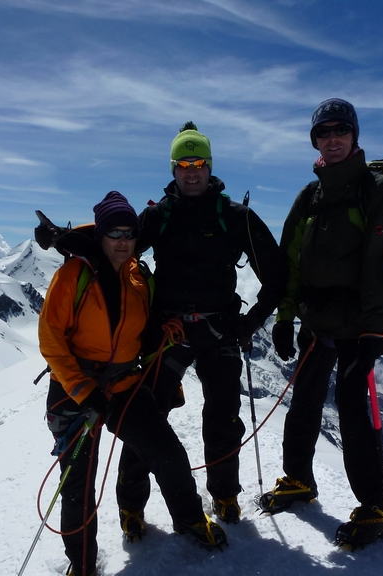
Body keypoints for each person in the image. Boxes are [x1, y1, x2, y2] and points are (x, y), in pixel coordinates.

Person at [37, 191, 227, 576]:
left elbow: (142, 329)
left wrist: (166, 328)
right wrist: (82, 390)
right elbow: (52, 342)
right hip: (75, 392)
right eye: (114, 233)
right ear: (101, 235)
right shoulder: (73, 275)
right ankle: (81, 566)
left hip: (123, 385)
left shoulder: (140, 276)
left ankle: (190, 518)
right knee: (78, 486)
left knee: (167, 452)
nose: (123, 240)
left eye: (129, 233)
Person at [115, 122, 285, 528]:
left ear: (210, 167)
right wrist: (71, 242)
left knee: (223, 417)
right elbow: (116, 248)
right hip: (170, 330)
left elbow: (278, 275)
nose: (192, 171)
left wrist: (252, 321)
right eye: (184, 163)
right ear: (173, 168)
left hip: (217, 329)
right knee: (147, 418)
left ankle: (224, 496)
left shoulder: (234, 216)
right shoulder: (159, 216)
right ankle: (132, 506)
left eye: (199, 163)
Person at [257, 98, 383, 549]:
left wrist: (376, 328)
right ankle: (299, 479)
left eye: (341, 131)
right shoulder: (310, 197)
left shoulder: (376, 191)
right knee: (304, 403)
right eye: (324, 133)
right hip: (317, 320)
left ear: (355, 136)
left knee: (353, 411)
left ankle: (375, 507)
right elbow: (291, 264)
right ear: (316, 141)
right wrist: (284, 317)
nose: (333, 139)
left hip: (359, 324)